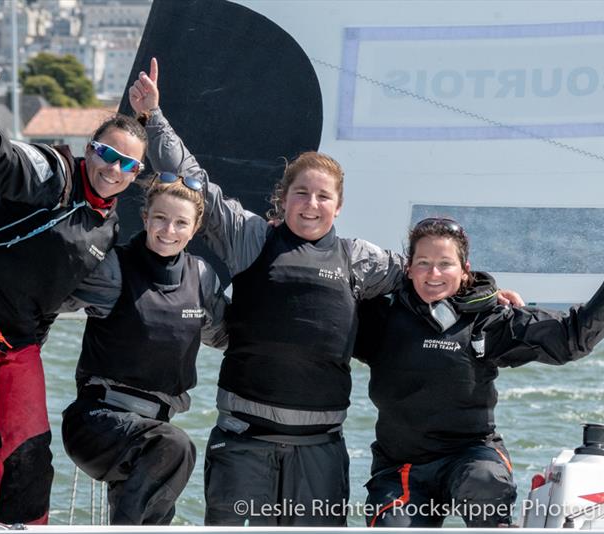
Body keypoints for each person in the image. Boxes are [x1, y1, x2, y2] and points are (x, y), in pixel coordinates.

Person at [129, 59, 522, 526]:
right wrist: (154, 118)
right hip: (243, 442)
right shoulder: (250, 237)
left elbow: (432, 273)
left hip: (320, 446)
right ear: (283, 197)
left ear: (338, 205)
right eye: (301, 193)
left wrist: (485, 292)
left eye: (322, 196)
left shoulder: (360, 259)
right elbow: (195, 183)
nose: (310, 205)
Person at [0, 72, 146, 524]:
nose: (113, 169)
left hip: (18, 340)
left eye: (128, 164)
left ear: (137, 173)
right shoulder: (54, 173)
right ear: (89, 148)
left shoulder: (110, 228)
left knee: (30, 455)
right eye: (106, 154)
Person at [353, 217, 604, 528]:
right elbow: (322, 321)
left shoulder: (489, 320)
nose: (434, 273)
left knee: (484, 482)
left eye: (445, 263)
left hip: (472, 456)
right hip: (401, 466)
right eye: (423, 262)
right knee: (393, 525)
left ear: (465, 269)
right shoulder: (381, 319)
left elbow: (571, 339)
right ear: (408, 268)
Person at [59, 175, 228, 525]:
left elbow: (228, 337)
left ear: (195, 228)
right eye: (160, 218)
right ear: (146, 217)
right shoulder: (112, 268)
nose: (169, 230)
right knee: (178, 446)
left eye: (181, 222)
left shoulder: (203, 278)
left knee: (157, 514)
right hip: (97, 422)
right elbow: (48, 295)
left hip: (153, 434)